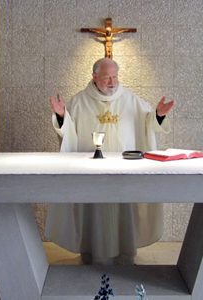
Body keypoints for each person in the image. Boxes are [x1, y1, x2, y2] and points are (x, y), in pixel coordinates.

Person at [45, 58, 174, 265]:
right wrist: (62, 116)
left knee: (123, 215)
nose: (112, 81)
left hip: (124, 175)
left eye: (114, 76)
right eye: (106, 77)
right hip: (92, 176)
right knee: (94, 215)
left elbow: (148, 123)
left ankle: (125, 257)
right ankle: (92, 256)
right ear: (94, 76)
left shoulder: (131, 100)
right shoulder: (79, 101)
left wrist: (158, 115)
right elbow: (67, 130)